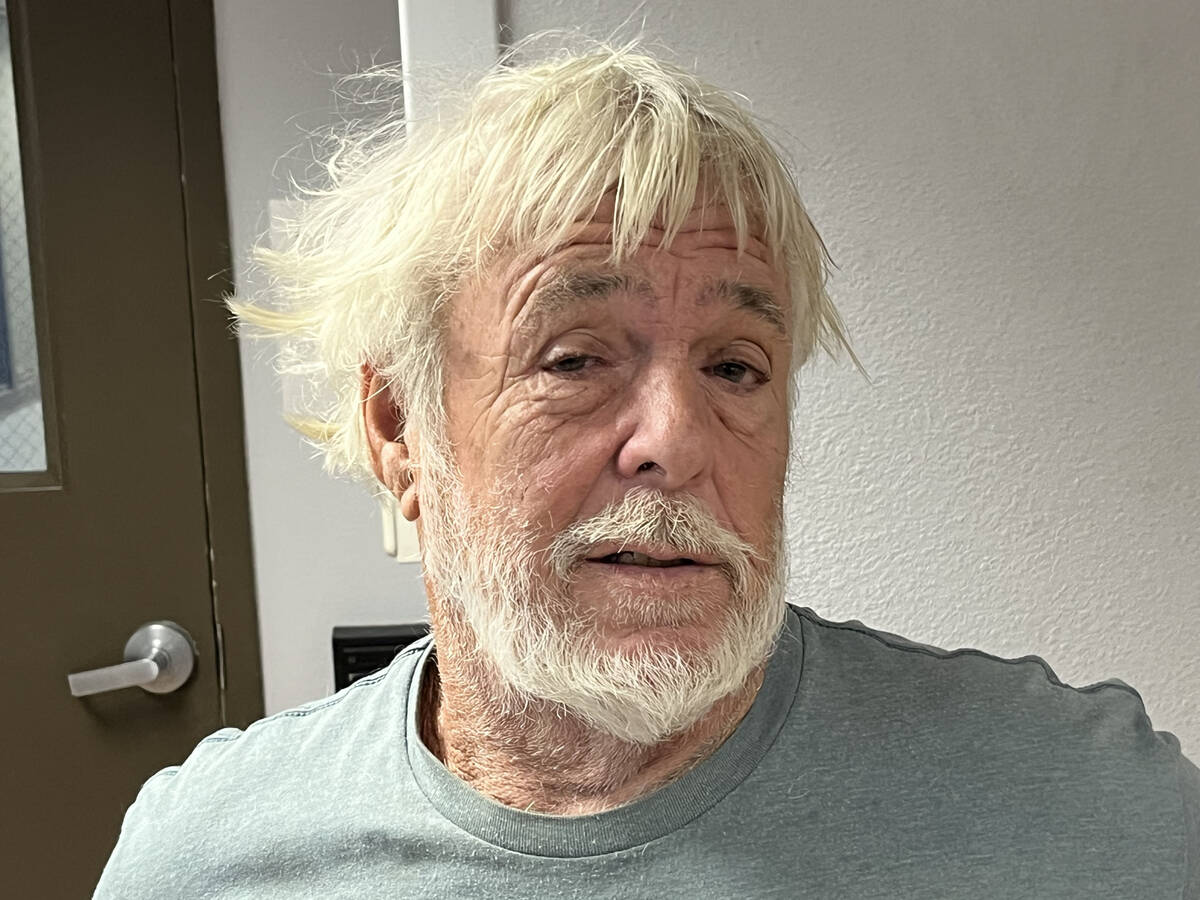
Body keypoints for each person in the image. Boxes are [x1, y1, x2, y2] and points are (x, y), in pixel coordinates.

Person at [96, 38, 1199, 898]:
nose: (675, 439)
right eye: (574, 359)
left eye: (735, 366)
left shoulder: (1082, 804)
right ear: (400, 430)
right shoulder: (213, 859)